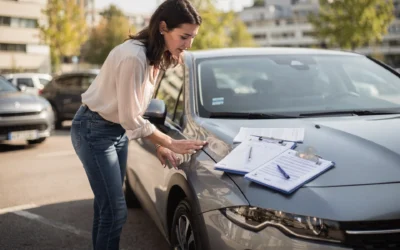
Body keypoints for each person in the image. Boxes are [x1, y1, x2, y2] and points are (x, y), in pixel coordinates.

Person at [70, 1, 205, 249]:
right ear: (163, 27)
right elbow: (131, 118)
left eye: (192, 37)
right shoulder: (134, 57)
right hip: (93, 130)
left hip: (116, 131)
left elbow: (135, 113)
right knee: (116, 211)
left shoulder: (156, 54)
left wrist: (159, 146)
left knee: (106, 208)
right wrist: (170, 142)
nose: (188, 45)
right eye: (184, 37)